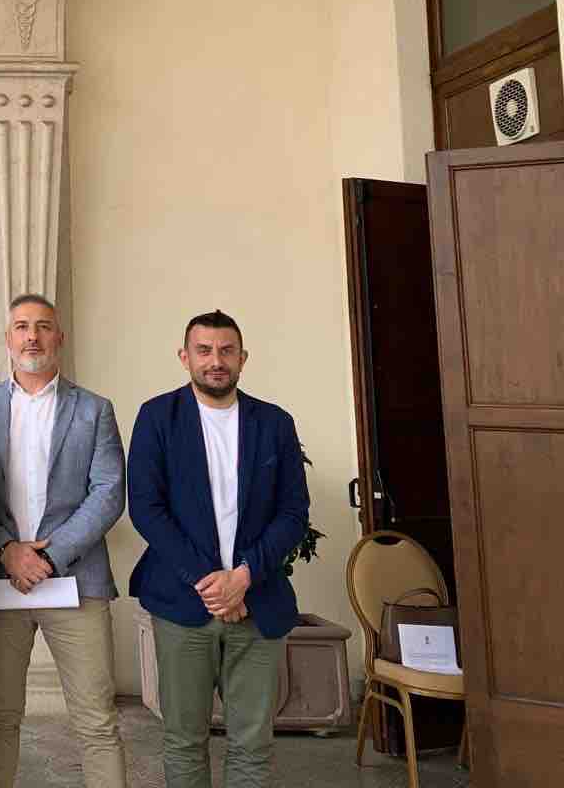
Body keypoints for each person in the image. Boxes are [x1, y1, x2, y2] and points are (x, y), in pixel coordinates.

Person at [127, 310, 311, 788]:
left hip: (258, 600)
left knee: (252, 742)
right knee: (184, 740)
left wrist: (244, 576)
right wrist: (212, 583)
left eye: (226, 351)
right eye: (204, 351)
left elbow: (294, 512)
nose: (216, 361)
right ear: (185, 357)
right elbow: (147, 509)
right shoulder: (157, 417)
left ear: (243, 358)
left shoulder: (274, 422)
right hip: (184, 602)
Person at [0, 292, 129, 788]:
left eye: (43, 326)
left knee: (97, 722)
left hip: (76, 582)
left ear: (59, 337)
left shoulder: (95, 409)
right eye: (22, 326)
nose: (33, 336)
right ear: (8, 339)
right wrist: (7, 550)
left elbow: (108, 492)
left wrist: (48, 557)